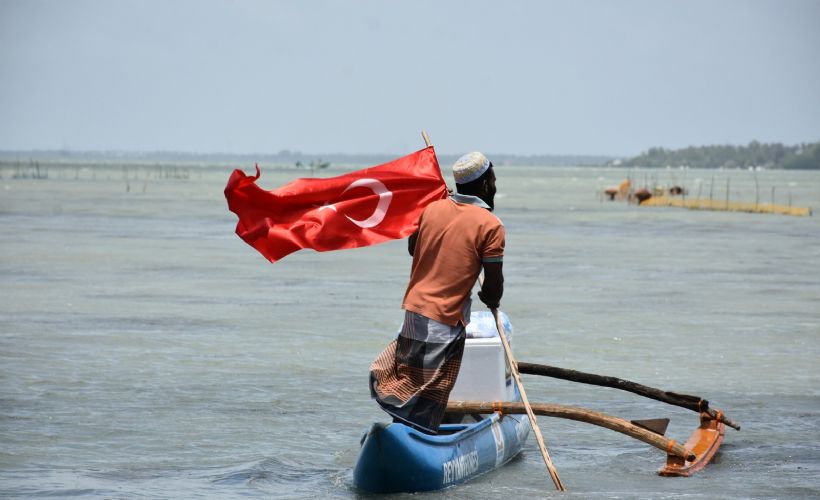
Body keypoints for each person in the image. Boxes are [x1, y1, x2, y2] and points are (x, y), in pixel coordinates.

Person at [369, 151, 505, 434]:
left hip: (414, 311)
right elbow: (493, 285)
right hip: (444, 319)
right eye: (492, 180)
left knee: (409, 382)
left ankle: (404, 433)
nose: (495, 186)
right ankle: (419, 440)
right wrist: (490, 299)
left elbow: (412, 248)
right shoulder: (491, 225)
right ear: (482, 185)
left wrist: (440, 212)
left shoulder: (432, 209)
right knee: (430, 393)